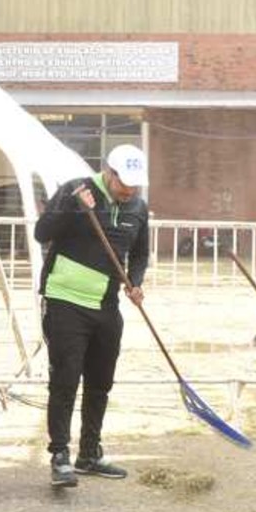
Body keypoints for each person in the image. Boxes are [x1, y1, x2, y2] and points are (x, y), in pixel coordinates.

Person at [35, 144, 150, 488]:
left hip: (106, 304)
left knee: (100, 382)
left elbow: (140, 253)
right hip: (64, 299)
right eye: (123, 182)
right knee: (66, 379)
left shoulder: (139, 208)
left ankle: (90, 452)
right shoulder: (76, 190)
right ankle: (60, 455)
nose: (129, 190)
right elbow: (43, 232)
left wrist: (136, 282)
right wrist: (73, 208)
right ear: (108, 172)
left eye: (135, 185)